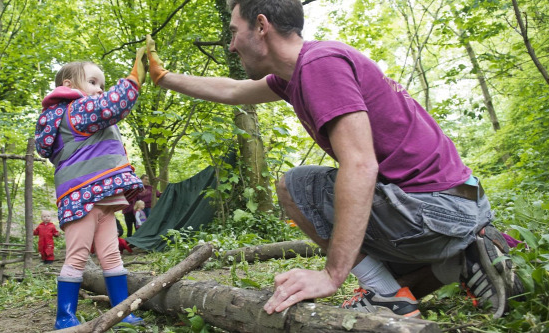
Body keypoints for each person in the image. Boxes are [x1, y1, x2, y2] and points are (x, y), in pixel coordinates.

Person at [144, 0, 522, 319]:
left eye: (234, 30)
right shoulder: (299, 71)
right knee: (389, 266)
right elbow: (234, 89)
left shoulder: (319, 66)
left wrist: (332, 274)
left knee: (294, 186)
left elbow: (360, 165)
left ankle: (389, 295)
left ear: (261, 26)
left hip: (438, 211)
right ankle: (459, 261)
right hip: (454, 206)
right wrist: (164, 77)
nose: (230, 45)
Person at [34, 46, 148, 328]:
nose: (99, 89)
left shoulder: (84, 114)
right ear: (69, 86)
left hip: (103, 198)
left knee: (111, 254)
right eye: (93, 82)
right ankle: (65, 316)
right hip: (81, 199)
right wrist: (135, 76)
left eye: (102, 84)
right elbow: (114, 104)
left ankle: (121, 312)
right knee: (78, 255)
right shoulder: (75, 111)